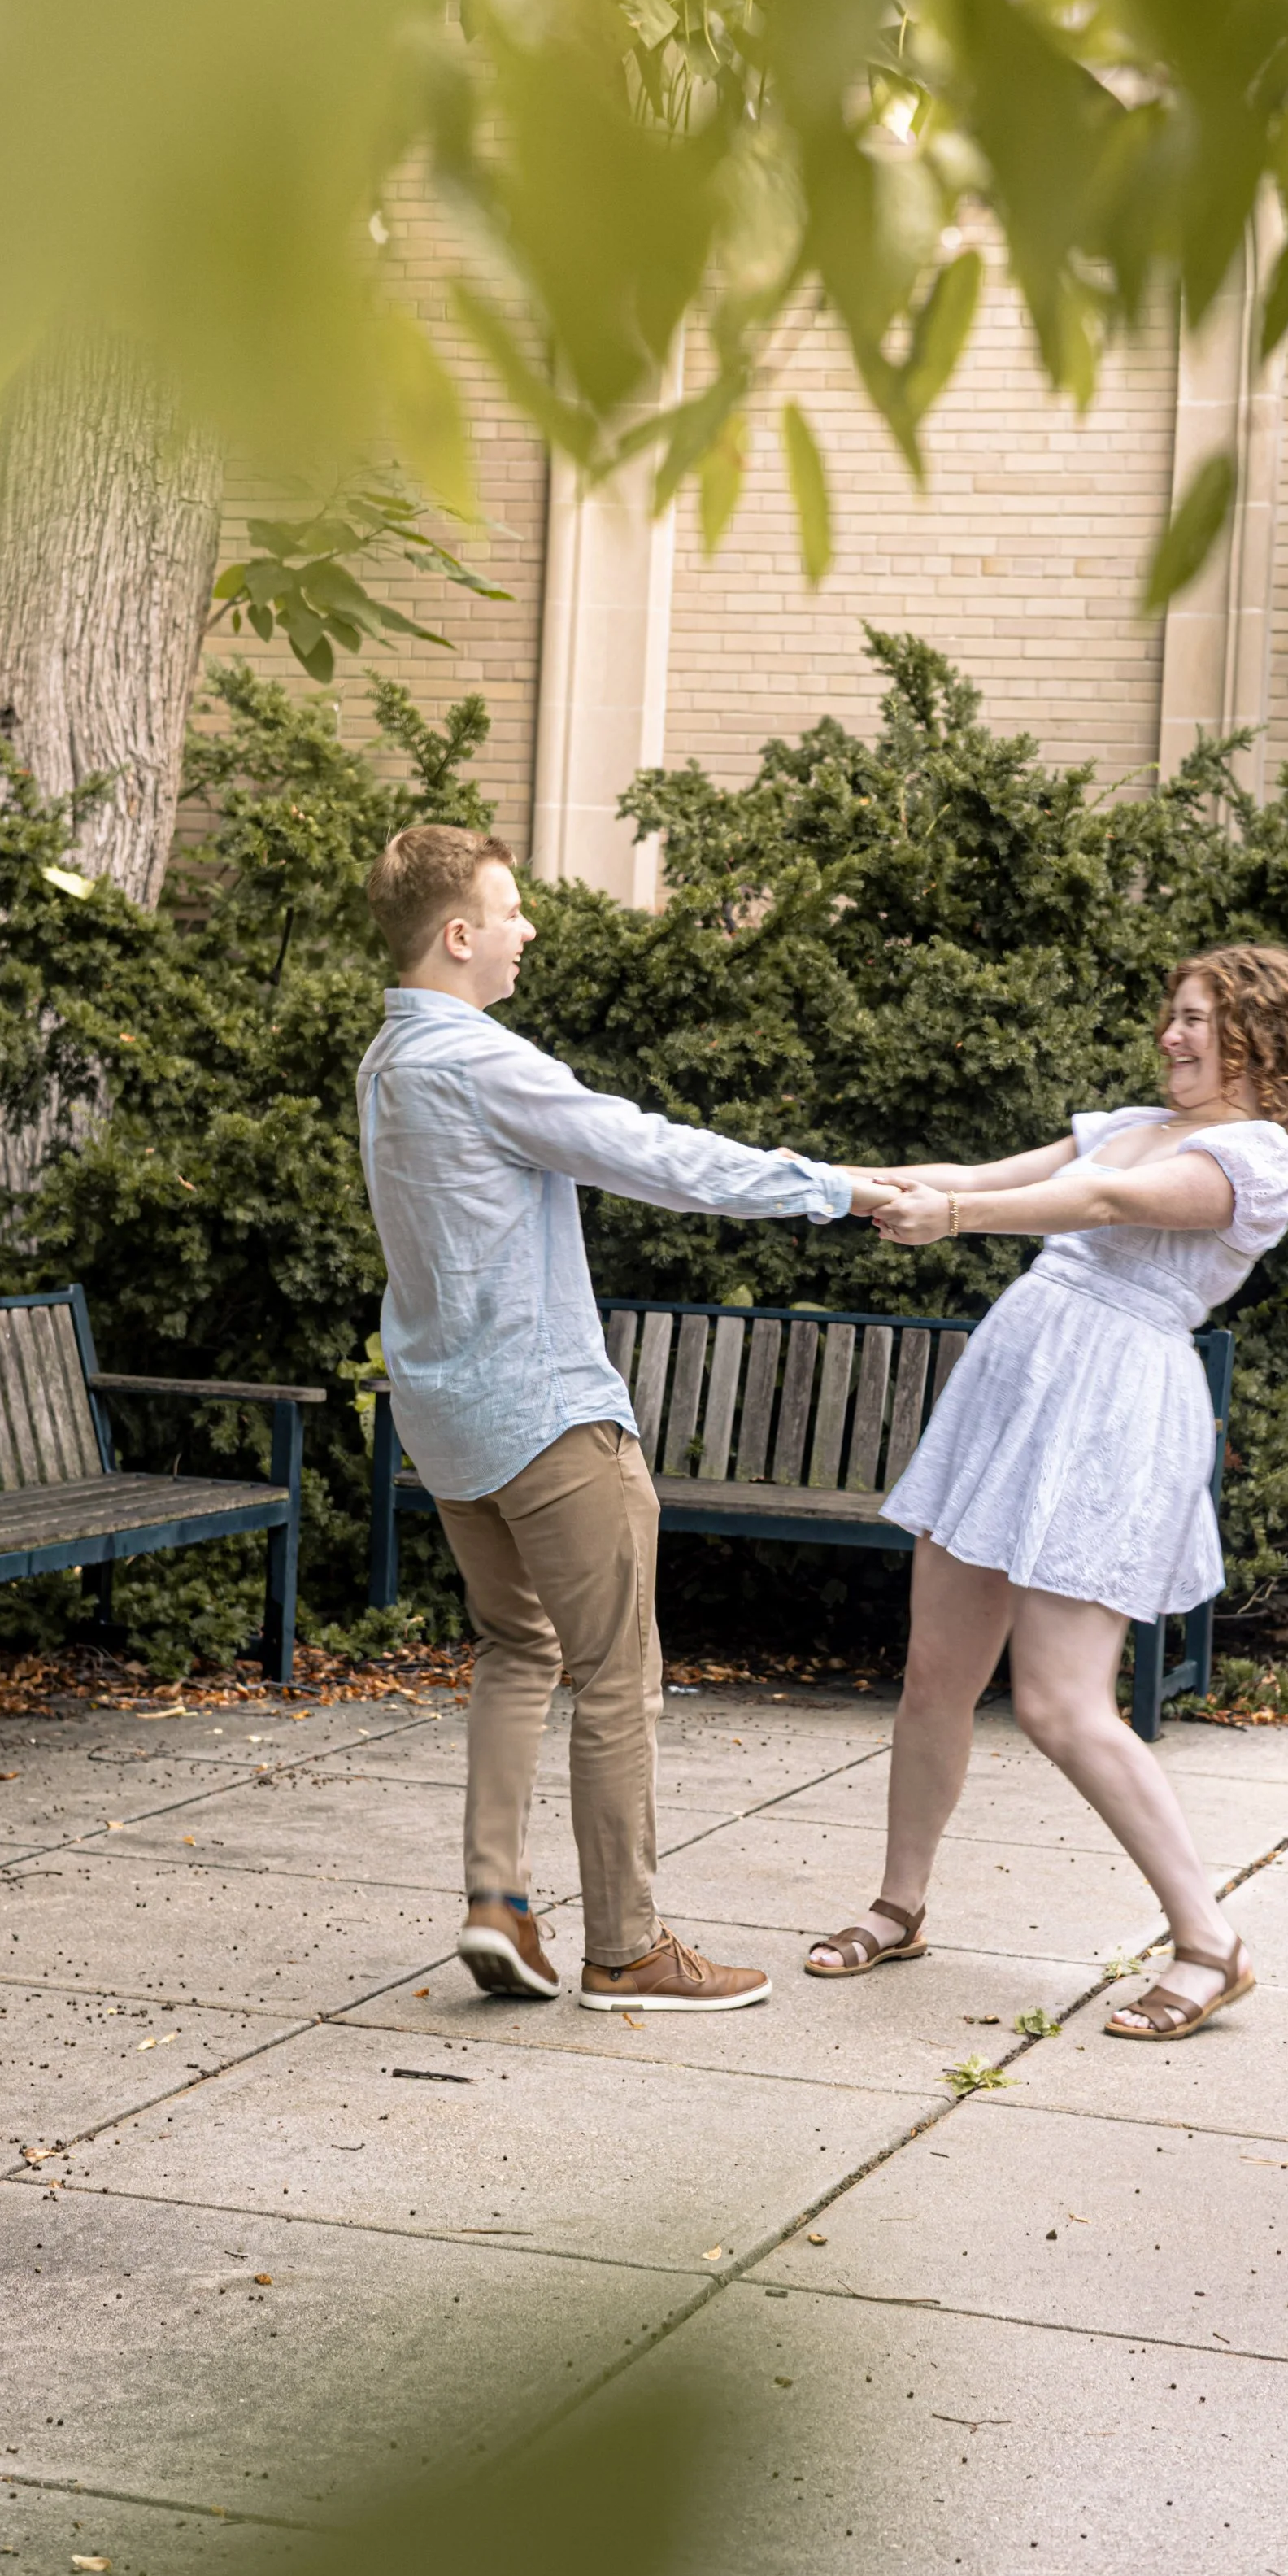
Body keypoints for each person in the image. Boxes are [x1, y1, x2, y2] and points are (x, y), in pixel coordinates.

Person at [356, 823, 890, 2015]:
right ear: (458, 935)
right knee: (616, 1676)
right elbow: (653, 1155)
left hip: (446, 1424)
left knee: (519, 1647)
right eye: (509, 910)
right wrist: (839, 1189)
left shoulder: (387, 1060)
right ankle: (628, 1948)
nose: (526, 927)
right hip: (548, 1418)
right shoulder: (480, 1062)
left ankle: (497, 1900)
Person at [804, 943, 1288, 2041]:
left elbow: (1094, 1200)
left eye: (1197, 1018)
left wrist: (951, 1222)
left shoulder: (1258, 1156)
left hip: (1112, 1413)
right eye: (1173, 1013)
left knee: (1059, 1702)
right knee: (934, 1677)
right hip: (1020, 1385)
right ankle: (898, 1905)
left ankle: (1209, 1941)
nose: (1172, 1034)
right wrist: (836, 1181)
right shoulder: (1127, 1119)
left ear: (1261, 1038)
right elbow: (984, 1174)